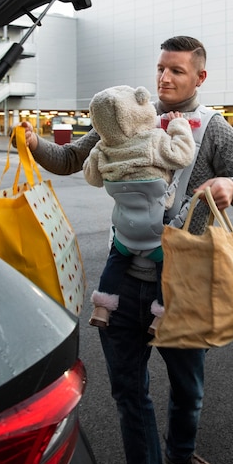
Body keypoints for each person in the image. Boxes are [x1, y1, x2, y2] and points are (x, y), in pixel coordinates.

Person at [20, 35, 233, 464]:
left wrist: (232, 185)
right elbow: (74, 158)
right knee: (129, 396)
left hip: (184, 284)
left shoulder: (215, 130)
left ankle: (182, 453)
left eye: (177, 70)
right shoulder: (131, 115)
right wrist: (33, 143)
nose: (164, 78)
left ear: (200, 76)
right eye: (161, 68)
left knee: (188, 390)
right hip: (120, 275)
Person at [82, 84, 195, 334]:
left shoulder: (102, 149)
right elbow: (183, 155)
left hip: (124, 231)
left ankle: (102, 308)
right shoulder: (153, 140)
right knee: (167, 269)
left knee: (115, 261)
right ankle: (162, 316)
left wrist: (99, 146)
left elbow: (92, 177)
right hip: (154, 233)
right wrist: (179, 126)